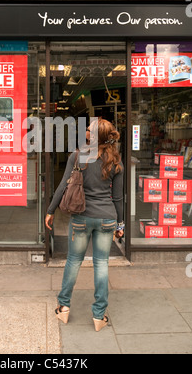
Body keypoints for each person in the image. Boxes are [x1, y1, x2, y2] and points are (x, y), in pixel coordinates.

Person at [45, 118, 124, 332]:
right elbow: (118, 198)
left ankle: (63, 307)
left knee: (73, 260)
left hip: (81, 217)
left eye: (89, 129)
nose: (86, 130)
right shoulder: (116, 161)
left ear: (95, 135)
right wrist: (121, 224)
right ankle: (99, 316)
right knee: (101, 264)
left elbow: (63, 185)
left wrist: (51, 210)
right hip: (107, 218)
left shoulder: (78, 156)